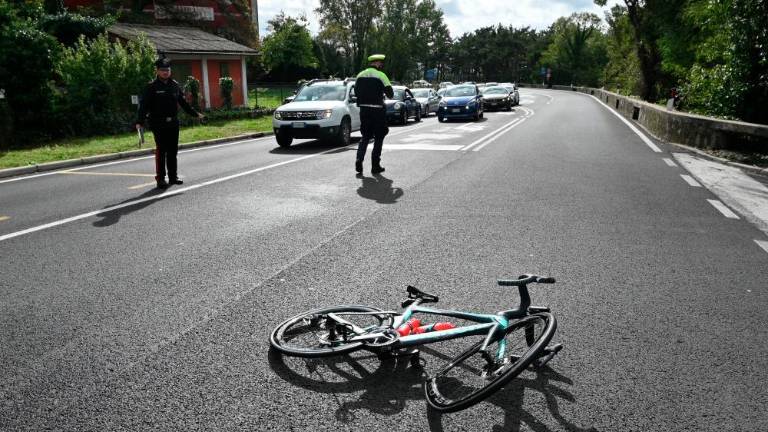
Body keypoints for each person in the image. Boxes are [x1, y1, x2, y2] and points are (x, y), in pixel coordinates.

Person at [135, 58, 204, 189]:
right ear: (157, 71)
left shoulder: (175, 85)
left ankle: (173, 177)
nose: (165, 72)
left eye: (167, 70)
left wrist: (196, 114)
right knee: (161, 151)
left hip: (173, 123)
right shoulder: (151, 87)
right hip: (158, 123)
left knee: (173, 151)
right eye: (162, 70)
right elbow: (143, 106)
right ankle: (160, 179)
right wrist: (139, 121)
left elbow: (184, 104)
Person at [355, 54, 394, 174]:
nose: (381, 65)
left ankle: (359, 159)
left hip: (364, 110)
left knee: (365, 136)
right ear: (377, 63)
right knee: (379, 135)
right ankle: (375, 165)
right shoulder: (381, 75)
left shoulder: (360, 75)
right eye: (381, 63)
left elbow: (356, 91)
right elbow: (390, 94)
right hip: (377, 110)